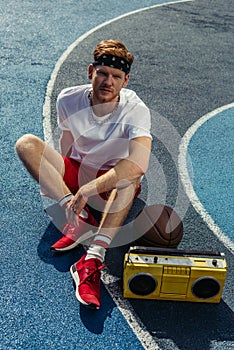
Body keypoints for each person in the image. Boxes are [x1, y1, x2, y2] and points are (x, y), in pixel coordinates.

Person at [15, 39, 152, 309]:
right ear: (91, 71)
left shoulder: (136, 109)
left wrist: (88, 190)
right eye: (102, 73)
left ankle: (92, 257)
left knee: (131, 176)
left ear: (126, 82)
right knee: (26, 144)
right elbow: (67, 147)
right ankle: (77, 216)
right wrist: (68, 190)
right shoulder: (68, 98)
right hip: (81, 174)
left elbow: (138, 163)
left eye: (116, 76)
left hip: (114, 181)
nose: (107, 81)